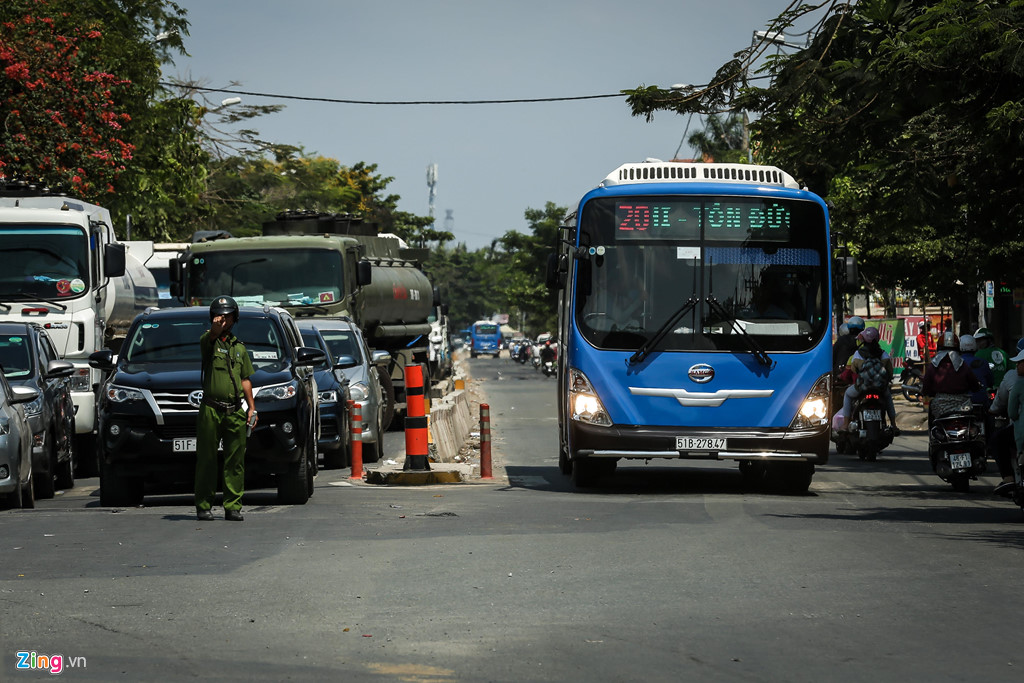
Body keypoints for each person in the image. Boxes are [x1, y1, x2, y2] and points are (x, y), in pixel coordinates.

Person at [195, 295, 256, 522]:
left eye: (227, 315)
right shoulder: (208, 341)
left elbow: (245, 379)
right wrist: (214, 330)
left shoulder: (239, 348)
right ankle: (203, 505)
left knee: (235, 461)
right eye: (219, 315)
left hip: (234, 410)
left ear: (234, 318)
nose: (223, 320)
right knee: (207, 460)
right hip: (211, 409)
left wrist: (252, 408)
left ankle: (233, 506)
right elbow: (209, 339)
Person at [841, 326, 898, 433]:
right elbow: (890, 371)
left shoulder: (858, 353)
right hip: (880, 388)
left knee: (848, 395)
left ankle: (845, 424)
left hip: (862, 387)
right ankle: (894, 425)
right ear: (877, 339)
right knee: (888, 398)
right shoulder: (883, 353)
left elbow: (853, 369)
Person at [921, 331, 981, 424]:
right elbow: (974, 384)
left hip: (940, 408)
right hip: (963, 406)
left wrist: (926, 393)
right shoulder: (962, 364)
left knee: (934, 424)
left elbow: (926, 387)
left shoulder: (933, 365)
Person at [989, 338, 1024, 496]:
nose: (1017, 366)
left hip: (1019, 433)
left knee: (997, 439)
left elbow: (1011, 412)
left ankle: (1008, 478)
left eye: (1019, 362)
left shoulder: (1016, 382)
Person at [958, 334, 993, 406]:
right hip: (980, 401)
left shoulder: (955, 363)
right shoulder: (983, 362)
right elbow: (990, 382)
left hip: (961, 402)